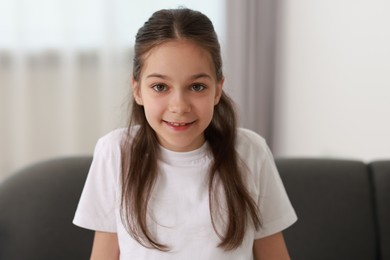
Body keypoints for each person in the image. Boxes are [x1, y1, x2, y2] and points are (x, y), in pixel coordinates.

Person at [73, 8, 297, 260]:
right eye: (160, 87)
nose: (179, 106)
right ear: (137, 90)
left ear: (217, 90)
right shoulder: (115, 153)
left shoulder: (249, 152)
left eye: (197, 86)